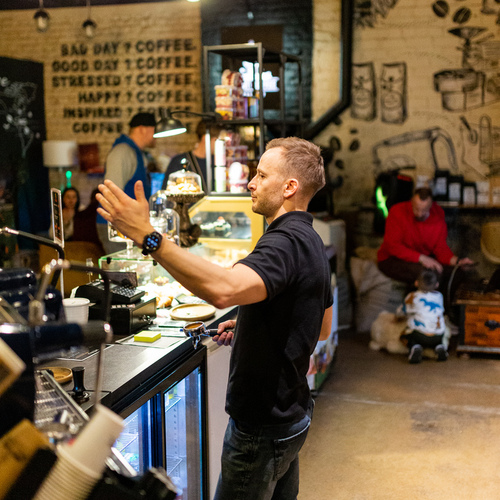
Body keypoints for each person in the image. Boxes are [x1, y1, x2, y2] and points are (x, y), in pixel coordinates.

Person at [97, 137, 334, 500]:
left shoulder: (283, 242)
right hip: (292, 416)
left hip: (261, 427)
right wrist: (253, 323)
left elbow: (223, 290)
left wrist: (148, 237)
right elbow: (320, 326)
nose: (251, 183)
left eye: (261, 175)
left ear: (289, 187)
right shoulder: (311, 239)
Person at [377, 187, 474, 293]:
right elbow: (393, 246)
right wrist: (422, 258)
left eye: (424, 210)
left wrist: (458, 261)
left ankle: (441, 303)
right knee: (426, 274)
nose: (419, 214)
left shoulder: (438, 214)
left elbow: (440, 248)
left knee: (457, 273)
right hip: (392, 260)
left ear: (431, 206)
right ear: (411, 202)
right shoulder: (397, 211)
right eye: (416, 209)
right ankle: (416, 302)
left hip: (423, 259)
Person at [96, 112, 157, 254]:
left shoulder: (137, 152)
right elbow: (111, 192)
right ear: (143, 129)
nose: (156, 136)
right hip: (116, 227)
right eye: (154, 130)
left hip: (128, 225)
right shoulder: (122, 152)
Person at [397, 268, 448, 364]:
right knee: (438, 331)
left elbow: (401, 311)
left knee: (405, 336)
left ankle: (414, 347)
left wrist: (398, 316)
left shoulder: (413, 296)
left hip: (419, 335)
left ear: (416, 283)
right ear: (437, 285)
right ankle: (439, 347)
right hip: (438, 335)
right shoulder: (439, 296)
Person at [161, 120, 226, 192]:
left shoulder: (220, 163)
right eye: (219, 140)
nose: (223, 145)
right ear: (205, 138)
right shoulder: (178, 161)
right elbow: (166, 192)